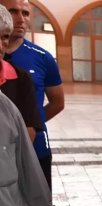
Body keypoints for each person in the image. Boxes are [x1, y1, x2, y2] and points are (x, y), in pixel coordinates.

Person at [1, 0, 64, 189]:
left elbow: (57, 103)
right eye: (13, 12)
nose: (20, 19)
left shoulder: (42, 57)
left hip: (36, 148)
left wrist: (30, 123)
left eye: (26, 13)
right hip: (3, 151)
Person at [0, 4, 40, 142]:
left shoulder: (21, 78)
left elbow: (29, 129)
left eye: (5, 37)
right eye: (14, 11)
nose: (0, 46)